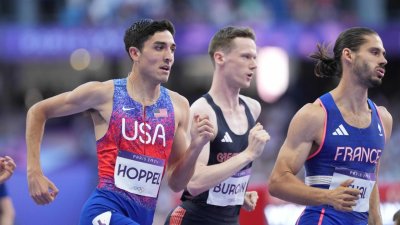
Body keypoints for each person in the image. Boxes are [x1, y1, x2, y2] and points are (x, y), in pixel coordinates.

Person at [26, 18, 214, 225]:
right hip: (103, 211)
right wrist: (34, 171)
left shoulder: (179, 106)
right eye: (159, 48)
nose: (168, 56)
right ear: (135, 53)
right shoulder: (104, 94)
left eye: (172, 49)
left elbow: (177, 183)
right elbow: (37, 111)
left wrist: (196, 146)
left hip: (142, 217)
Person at [268, 27, 391, 225]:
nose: (383, 60)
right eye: (374, 52)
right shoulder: (315, 115)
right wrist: (328, 197)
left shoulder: (383, 118)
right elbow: (277, 182)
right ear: (348, 55)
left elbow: (371, 182)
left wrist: (377, 222)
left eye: (383, 54)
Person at [164, 26, 270, 225]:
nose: (254, 65)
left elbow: (221, 174)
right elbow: (194, 183)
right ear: (220, 58)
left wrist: (238, 195)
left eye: (255, 57)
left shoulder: (252, 108)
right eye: (246, 57)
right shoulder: (203, 112)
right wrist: (248, 154)